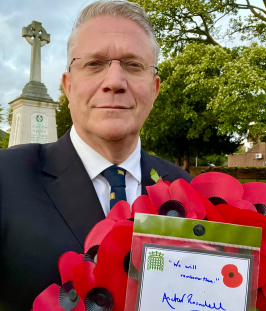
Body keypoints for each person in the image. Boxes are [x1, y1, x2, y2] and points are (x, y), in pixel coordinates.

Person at [0, 1, 192, 310]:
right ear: (68, 85)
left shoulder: (184, 188)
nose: (115, 82)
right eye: (94, 64)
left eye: (133, 64)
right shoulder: (6, 179)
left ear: (154, 89)